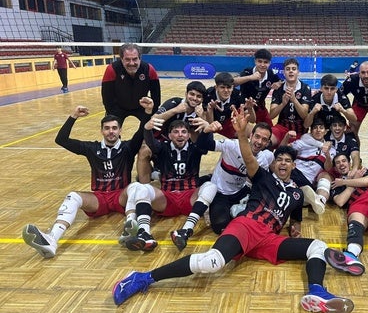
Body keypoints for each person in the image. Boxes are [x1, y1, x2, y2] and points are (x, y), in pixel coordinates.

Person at [112, 106, 355, 313]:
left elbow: (296, 218)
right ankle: (143, 278)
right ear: (273, 163)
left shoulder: (296, 194)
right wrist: (240, 134)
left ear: (293, 165)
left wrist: (297, 226)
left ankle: (316, 293)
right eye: (279, 160)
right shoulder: (262, 177)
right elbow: (249, 157)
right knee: (213, 262)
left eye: (287, 161)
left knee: (317, 247)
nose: (282, 163)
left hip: (269, 238)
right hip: (247, 226)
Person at [22, 99, 152, 258]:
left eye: (114, 128)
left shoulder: (128, 147)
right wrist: (73, 116)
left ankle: (130, 227)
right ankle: (52, 239)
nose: (111, 131)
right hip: (99, 199)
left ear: (120, 131)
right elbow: (61, 140)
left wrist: (147, 112)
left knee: (136, 187)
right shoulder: (92, 148)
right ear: (101, 131)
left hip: (121, 196)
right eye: (107, 128)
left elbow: (142, 130)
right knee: (73, 196)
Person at [118, 116, 220, 252]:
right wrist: (147, 129)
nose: (180, 135)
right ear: (170, 135)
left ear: (189, 135)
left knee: (211, 186)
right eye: (176, 132)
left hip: (189, 198)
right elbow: (151, 142)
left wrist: (208, 129)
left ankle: (185, 230)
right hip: (167, 199)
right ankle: (144, 233)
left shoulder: (195, 148)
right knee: (143, 188)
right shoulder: (162, 147)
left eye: (183, 132)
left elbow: (205, 142)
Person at [170, 121, 275, 247]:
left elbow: (258, 184)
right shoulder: (231, 145)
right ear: (250, 135)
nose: (259, 142)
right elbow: (204, 144)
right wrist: (207, 131)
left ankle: (234, 210)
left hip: (240, 191)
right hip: (220, 192)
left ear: (268, 143)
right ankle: (216, 211)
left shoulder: (263, 159)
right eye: (257, 136)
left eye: (264, 139)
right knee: (219, 226)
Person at [136, 81, 207, 183]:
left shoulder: (201, 112)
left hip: (182, 147)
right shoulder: (174, 103)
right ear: (186, 94)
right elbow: (154, 119)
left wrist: (202, 118)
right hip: (162, 142)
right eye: (192, 94)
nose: (195, 98)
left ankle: (159, 174)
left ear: (202, 99)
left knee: (197, 150)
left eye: (199, 96)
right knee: (144, 150)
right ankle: (144, 189)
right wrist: (175, 110)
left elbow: (203, 142)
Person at [101, 43, 161, 124]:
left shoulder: (149, 69)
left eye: (135, 59)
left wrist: (152, 112)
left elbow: (156, 96)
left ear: (140, 58)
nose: (132, 63)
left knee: (153, 127)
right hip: (118, 107)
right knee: (111, 129)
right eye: (127, 59)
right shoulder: (112, 69)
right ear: (121, 59)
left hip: (142, 106)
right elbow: (107, 97)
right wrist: (111, 113)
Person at [233, 48, 283, 127]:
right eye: (260, 61)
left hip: (260, 107)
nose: (262, 65)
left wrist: (278, 83)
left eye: (265, 62)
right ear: (255, 61)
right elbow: (232, 83)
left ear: (269, 63)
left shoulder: (270, 74)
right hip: (244, 107)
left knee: (269, 130)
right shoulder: (247, 72)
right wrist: (250, 77)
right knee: (243, 131)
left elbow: (281, 81)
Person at [269, 58, 312, 148]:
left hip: (299, 131)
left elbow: (305, 115)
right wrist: (283, 104)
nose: (291, 71)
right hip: (281, 127)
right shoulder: (279, 89)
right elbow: (271, 115)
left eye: (293, 69)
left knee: (289, 151)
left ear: (298, 71)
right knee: (267, 140)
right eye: (288, 69)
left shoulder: (305, 88)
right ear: (284, 72)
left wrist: (294, 100)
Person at [204, 72, 255, 139]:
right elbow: (209, 124)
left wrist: (250, 108)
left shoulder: (237, 95)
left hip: (228, 123)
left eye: (229, 87)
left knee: (254, 132)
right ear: (216, 87)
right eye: (222, 87)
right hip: (213, 125)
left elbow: (252, 120)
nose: (226, 90)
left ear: (233, 87)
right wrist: (210, 110)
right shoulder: (208, 95)